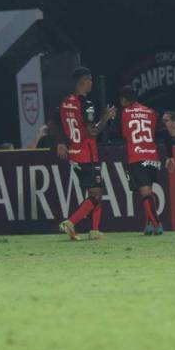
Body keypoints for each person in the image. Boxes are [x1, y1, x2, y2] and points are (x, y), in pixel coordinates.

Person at [56, 67, 116, 241]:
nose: (92, 83)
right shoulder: (87, 105)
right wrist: (105, 117)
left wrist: (61, 142)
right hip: (87, 154)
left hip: (74, 154)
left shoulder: (65, 102)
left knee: (94, 192)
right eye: (90, 80)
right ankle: (70, 222)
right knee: (96, 194)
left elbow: (59, 124)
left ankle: (94, 230)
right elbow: (93, 131)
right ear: (83, 82)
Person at [118, 86, 175, 235]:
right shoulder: (150, 112)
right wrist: (170, 156)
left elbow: (118, 133)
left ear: (124, 100)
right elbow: (166, 135)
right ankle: (149, 225)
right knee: (148, 192)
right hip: (152, 157)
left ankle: (157, 224)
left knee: (145, 194)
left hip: (137, 156)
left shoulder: (124, 113)